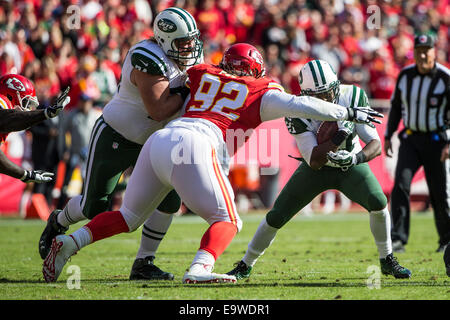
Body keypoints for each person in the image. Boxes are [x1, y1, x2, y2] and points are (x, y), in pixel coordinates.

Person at [41, 43, 383, 284]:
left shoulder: (201, 72)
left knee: (128, 217)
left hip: (160, 139)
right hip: (197, 144)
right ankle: (200, 268)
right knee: (229, 220)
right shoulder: (262, 90)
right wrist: (348, 112)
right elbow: (305, 106)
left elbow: (170, 87)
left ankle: (70, 243)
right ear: (254, 70)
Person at [38, 7, 204, 281]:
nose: (189, 46)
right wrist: (191, 87)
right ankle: (59, 220)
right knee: (95, 206)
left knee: (170, 199)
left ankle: (144, 262)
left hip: (155, 140)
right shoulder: (146, 56)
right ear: (163, 39)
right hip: (118, 135)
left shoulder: (190, 53)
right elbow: (159, 109)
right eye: (182, 41)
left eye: (191, 39)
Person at [226, 59, 411, 281]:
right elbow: (314, 160)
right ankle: (246, 264)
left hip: (350, 167)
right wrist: (339, 136)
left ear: (336, 85)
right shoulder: (296, 109)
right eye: (318, 96)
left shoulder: (352, 95)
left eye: (328, 93)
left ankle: (387, 259)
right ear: (306, 94)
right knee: (276, 216)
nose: (325, 100)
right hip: (316, 170)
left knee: (379, 203)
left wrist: (354, 158)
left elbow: (375, 145)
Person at [384, 33, 450, 253]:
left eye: (427, 50)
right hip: (411, 138)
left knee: (439, 191)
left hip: (437, 141)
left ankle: (446, 240)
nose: (423, 54)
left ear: (434, 51)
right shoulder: (405, 76)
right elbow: (395, 107)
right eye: (419, 50)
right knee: (401, 185)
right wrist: (388, 135)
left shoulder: (444, 77)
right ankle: (398, 238)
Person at [0, 74, 70, 183]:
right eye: (25, 102)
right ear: (10, 95)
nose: (28, 109)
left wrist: (25, 175)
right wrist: (46, 113)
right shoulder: (3, 102)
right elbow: (6, 118)